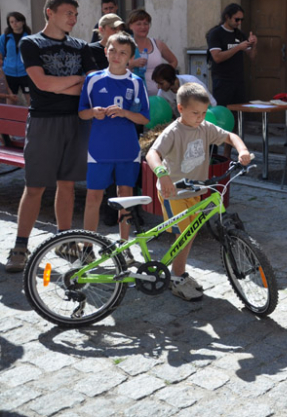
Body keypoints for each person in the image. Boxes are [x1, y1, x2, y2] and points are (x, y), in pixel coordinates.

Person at [5, 0, 97, 273]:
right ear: (50, 13)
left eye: (76, 14)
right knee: (34, 187)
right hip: (45, 121)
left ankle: (65, 240)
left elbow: (88, 84)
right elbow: (41, 84)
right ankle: (21, 246)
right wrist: (73, 81)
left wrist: (64, 83)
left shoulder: (81, 46)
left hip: (75, 120)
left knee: (67, 185)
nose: (74, 19)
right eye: (68, 13)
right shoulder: (31, 44)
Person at [145, 82, 251, 301]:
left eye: (203, 113)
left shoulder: (205, 128)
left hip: (195, 191)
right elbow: (152, 154)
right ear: (180, 109)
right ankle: (176, 278)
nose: (200, 117)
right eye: (195, 113)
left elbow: (230, 136)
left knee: (189, 234)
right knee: (183, 235)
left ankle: (179, 273)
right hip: (173, 193)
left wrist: (242, 150)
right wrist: (162, 174)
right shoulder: (174, 131)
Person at [78, 32, 150, 248]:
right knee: (93, 197)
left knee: (125, 196)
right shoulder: (92, 79)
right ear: (105, 51)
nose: (117, 55)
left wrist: (125, 113)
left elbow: (144, 116)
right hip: (99, 149)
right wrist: (94, 112)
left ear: (130, 57)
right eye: (113, 50)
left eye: (123, 52)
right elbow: (82, 112)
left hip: (127, 149)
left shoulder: (136, 82)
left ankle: (124, 245)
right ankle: (87, 246)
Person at [206, 3, 258, 106]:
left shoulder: (239, 34)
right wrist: (238, 47)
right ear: (227, 17)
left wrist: (254, 45)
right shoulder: (216, 34)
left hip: (238, 80)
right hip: (222, 80)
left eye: (241, 20)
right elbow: (217, 57)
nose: (239, 22)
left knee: (239, 110)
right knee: (223, 111)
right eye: (236, 19)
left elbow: (251, 56)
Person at [126, 8, 178, 97]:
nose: (143, 27)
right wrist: (132, 64)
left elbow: (173, 61)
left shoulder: (158, 44)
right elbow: (116, 68)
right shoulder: (125, 45)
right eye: (138, 24)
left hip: (160, 97)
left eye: (146, 24)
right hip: (136, 95)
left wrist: (166, 76)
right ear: (130, 26)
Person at [151, 63, 216, 116]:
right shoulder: (162, 92)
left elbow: (209, 103)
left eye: (161, 83)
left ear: (170, 79)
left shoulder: (192, 82)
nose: (158, 87)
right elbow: (161, 110)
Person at [0, 12, 33, 105]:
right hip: (9, 73)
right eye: (11, 22)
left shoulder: (30, 38)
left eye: (17, 21)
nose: (14, 24)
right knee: (11, 98)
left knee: (30, 98)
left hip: (25, 72)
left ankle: (31, 118)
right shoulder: (4, 38)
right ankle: (8, 119)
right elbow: (0, 54)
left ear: (22, 22)